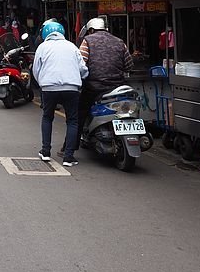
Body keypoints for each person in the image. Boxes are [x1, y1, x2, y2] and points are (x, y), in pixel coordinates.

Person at [32, 21, 88, 167]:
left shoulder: (42, 47)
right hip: (71, 87)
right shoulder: (71, 46)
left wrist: (43, 83)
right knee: (72, 121)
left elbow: (36, 69)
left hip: (49, 88)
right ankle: (68, 157)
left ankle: (45, 152)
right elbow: (83, 68)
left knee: (47, 117)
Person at [76, 17, 133, 148]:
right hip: (118, 87)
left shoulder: (87, 41)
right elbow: (129, 65)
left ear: (91, 30)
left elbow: (80, 64)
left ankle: (71, 146)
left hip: (94, 87)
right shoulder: (119, 42)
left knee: (80, 113)